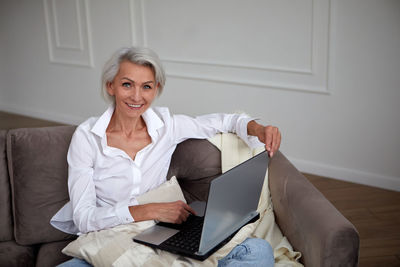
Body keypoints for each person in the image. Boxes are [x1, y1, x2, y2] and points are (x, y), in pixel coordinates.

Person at [53, 47, 280, 266]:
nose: (136, 96)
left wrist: (258, 129)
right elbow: (83, 217)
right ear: (110, 86)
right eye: (127, 85)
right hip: (109, 235)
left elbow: (224, 121)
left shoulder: (166, 127)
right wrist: (149, 210)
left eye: (146, 87)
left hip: (160, 235)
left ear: (156, 89)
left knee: (257, 251)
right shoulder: (86, 137)